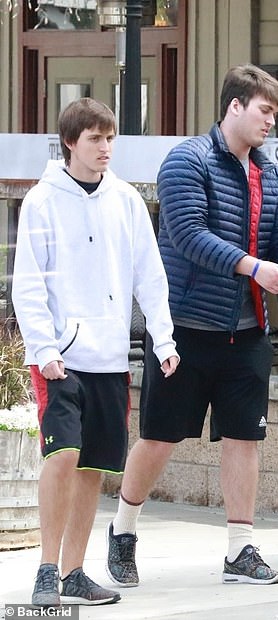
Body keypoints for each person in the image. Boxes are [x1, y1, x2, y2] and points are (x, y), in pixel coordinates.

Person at [106, 63, 278, 587]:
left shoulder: (268, 174)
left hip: (247, 330)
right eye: (265, 110)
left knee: (244, 438)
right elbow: (187, 234)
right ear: (235, 106)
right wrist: (253, 266)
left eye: (275, 113)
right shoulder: (188, 160)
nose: (271, 122)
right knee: (161, 437)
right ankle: (123, 529)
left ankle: (239, 549)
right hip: (184, 327)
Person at [11, 98, 180, 608]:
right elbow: (28, 284)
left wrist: (164, 338)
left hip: (109, 357)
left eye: (110, 138)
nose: (105, 148)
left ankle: (74, 572)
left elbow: (150, 276)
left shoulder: (126, 199)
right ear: (70, 142)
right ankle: (45, 571)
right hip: (59, 359)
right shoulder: (41, 201)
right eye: (95, 139)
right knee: (61, 456)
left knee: (92, 467)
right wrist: (43, 349)